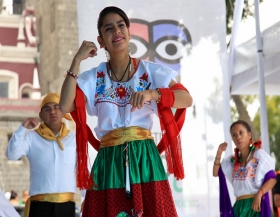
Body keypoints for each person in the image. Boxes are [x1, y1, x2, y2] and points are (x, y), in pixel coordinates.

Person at [59, 6, 192, 217]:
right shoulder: (93, 77)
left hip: (144, 158)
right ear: (101, 40)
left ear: (129, 33)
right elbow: (65, 105)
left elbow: (186, 99)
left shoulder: (150, 71)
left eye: (121, 26)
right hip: (109, 159)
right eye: (109, 29)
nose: (117, 31)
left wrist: (153, 94)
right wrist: (76, 61)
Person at [6, 93, 77, 217]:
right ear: (41, 115)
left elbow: (84, 168)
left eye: (56, 107)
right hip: (40, 206)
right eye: (47, 109)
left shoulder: (74, 138)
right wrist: (23, 128)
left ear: (63, 112)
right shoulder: (32, 137)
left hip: (66, 206)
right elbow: (11, 154)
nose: (52, 112)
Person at [213, 120, 276, 217]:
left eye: (241, 133)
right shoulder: (232, 161)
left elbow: (272, 179)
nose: (238, 137)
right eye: (234, 135)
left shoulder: (259, 155)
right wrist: (219, 152)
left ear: (249, 135)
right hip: (239, 207)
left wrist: (260, 193)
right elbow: (216, 172)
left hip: (256, 205)